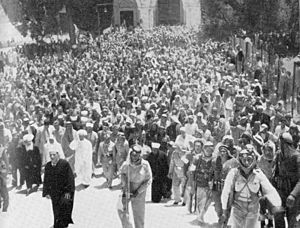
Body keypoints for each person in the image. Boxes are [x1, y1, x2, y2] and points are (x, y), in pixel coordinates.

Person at [221, 147, 282, 228]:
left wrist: (277, 204)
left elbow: (270, 190)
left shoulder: (258, 174)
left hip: (253, 213)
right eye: (244, 159)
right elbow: (226, 192)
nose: (246, 162)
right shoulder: (233, 173)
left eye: (249, 159)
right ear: (239, 160)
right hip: (237, 212)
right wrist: (224, 209)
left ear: (253, 160)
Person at [118, 145, 152, 228]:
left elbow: (148, 180)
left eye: (136, 155)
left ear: (140, 156)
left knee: (139, 215)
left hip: (140, 189)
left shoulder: (145, 164)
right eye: (132, 155)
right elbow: (122, 174)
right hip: (127, 187)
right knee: (121, 209)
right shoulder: (126, 164)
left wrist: (138, 192)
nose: (133, 157)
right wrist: (125, 185)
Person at [273, 133, 300, 228]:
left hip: (293, 193)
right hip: (281, 191)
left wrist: (293, 195)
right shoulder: (278, 155)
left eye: (283, 144)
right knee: (278, 214)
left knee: (292, 220)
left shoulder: (297, 157)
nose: (281, 146)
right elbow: (275, 174)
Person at [43, 149, 75, 228]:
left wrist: (68, 192)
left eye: (54, 155)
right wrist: (46, 192)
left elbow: (70, 179)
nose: (52, 157)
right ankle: (57, 224)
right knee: (56, 208)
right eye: (50, 155)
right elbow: (46, 180)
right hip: (54, 192)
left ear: (58, 155)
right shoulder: (48, 166)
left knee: (65, 207)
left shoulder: (64, 164)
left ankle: (63, 224)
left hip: (65, 192)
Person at [0, 144, 9, 212]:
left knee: (4, 191)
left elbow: (6, 162)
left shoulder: (2, 150)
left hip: (1, 174)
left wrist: (4, 175)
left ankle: (5, 208)